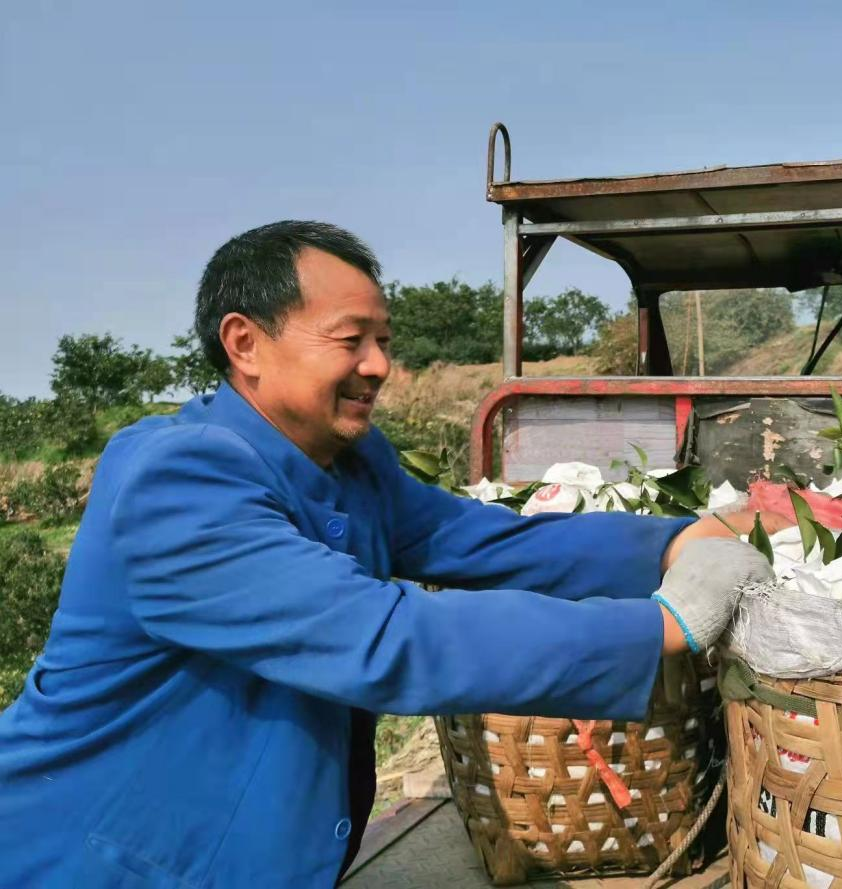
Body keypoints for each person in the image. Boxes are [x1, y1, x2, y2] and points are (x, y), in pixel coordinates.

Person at [0, 221, 777, 887]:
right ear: (245, 344)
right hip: (100, 856)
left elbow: (484, 539)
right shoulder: (177, 480)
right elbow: (382, 635)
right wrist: (660, 626)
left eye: (384, 341)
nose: (378, 365)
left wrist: (674, 538)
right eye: (351, 340)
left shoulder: (354, 463)